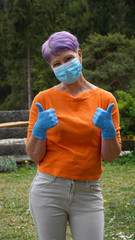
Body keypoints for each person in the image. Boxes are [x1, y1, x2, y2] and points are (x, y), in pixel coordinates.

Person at [26, 31, 121, 240]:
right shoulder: (43, 99)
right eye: (56, 63)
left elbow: (111, 156)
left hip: (88, 192)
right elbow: (34, 155)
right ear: (51, 68)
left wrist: (108, 131)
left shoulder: (105, 99)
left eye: (68, 58)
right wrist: (39, 131)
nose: (64, 66)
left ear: (79, 55)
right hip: (48, 190)